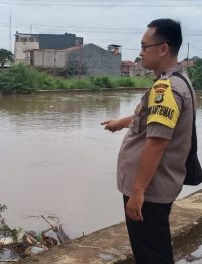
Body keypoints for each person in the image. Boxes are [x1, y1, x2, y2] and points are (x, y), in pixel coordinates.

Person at [101, 18, 195, 264]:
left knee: (152, 255)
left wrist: (138, 191)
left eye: (144, 47)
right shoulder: (177, 81)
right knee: (153, 250)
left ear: (163, 48)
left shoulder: (168, 89)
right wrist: (120, 123)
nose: (141, 52)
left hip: (149, 192)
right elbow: (151, 119)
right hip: (154, 189)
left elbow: (157, 143)